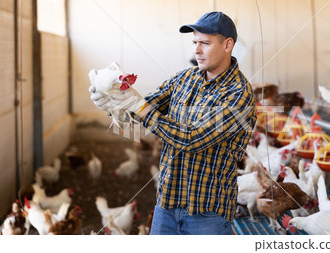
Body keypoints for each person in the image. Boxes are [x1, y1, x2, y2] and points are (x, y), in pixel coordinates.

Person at [90, 11, 256, 235]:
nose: (196, 50)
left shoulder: (239, 94)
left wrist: (138, 105)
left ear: (227, 45)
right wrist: (112, 106)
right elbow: (141, 110)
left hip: (207, 215)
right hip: (166, 206)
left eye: (205, 43)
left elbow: (192, 138)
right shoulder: (183, 79)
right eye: (195, 42)